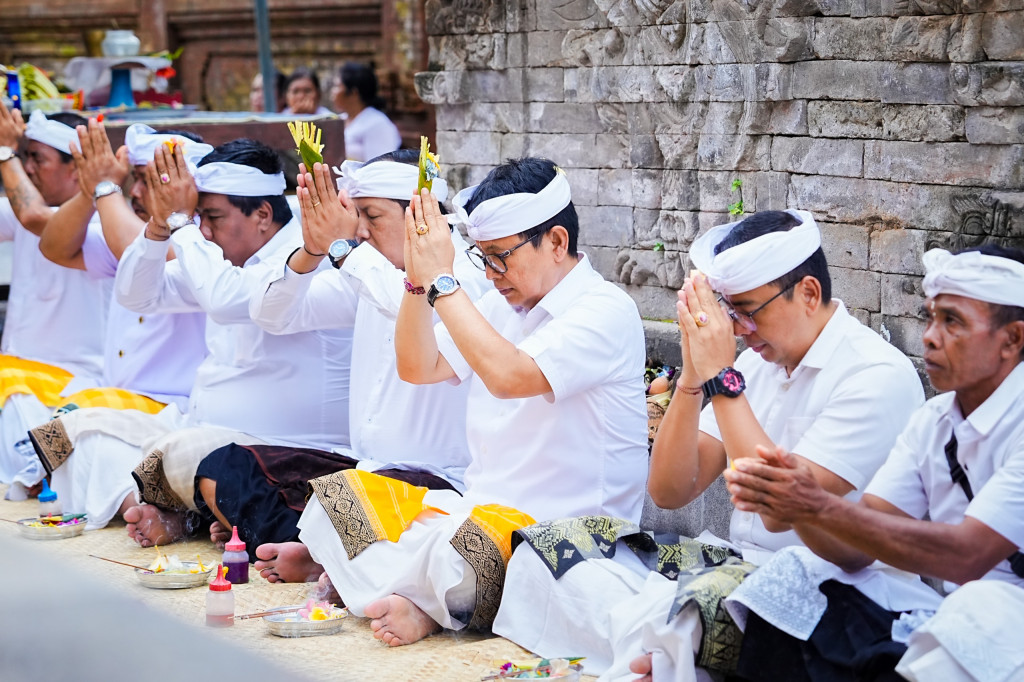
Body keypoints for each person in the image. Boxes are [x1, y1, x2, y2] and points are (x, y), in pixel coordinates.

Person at [491, 210, 925, 681]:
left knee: (684, 614)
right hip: (735, 567)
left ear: (808, 293)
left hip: (833, 589)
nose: (740, 330)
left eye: (749, 311)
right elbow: (670, 490)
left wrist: (723, 376)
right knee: (547, 553)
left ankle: (660, 645)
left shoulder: (876, 374)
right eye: (731, 313)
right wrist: (694, 378)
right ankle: (658, 646)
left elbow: (779, 509)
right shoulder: (756, 367)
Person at [289, 156, 649, 647]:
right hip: (474, 518)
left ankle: (428, 605)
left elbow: (509, 376)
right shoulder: (502, 304)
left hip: (563, 539)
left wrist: (443, 280)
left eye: (501, 255)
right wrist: (417, 283)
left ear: (558, 243)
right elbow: (419, 367)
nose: (493, 272)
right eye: (482, 257)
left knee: (464, 554)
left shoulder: (605, 310)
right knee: (335, 504)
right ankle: (434, 600)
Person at [721, 244, 1024, 682]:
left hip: (993, 621)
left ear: (1012, 339)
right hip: (962, 622)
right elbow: (859, 548)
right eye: (930, 317)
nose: (930, 337)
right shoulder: (934, 423)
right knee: (798, 570)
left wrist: (819, 506)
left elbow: (968, 556)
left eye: (952, 321)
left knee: (979, 606)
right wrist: (800, 508)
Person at [27, 138, 352, 545]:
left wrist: (182, 223)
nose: (206, 230)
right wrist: (159, 226)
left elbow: (226, 299)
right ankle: (178, 510)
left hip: (283, 450)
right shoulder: (220, 259)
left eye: (212, 217)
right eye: (201, 218)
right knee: (77, 430)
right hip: (202, 430)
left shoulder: (307, 259)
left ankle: (179, 514)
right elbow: (136, 294)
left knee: (181, 455)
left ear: (263, 215)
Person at [243, 151, 490, 580]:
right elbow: (271, 314)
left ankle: (327, 558)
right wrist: (312, 248)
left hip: (439, 483)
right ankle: (333, 554)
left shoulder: (465, 274)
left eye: (371, 216)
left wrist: (342, 249)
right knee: (233, 467)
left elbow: (414, 305)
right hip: (365, 473)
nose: (359, 230)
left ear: (419, 214)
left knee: (338, 499)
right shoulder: (364, 275)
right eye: (354, 216)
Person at [0, 105, 110, 491]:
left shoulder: (102, 220)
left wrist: (5, 152)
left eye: (37, 159)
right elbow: (25, 211)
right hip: (18, 379)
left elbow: (34, 218)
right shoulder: (22, 210)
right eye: (25, 157)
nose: (28, 168)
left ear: (76, 169)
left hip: (76, 383)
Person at [330, 62, 400, 162]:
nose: (333, 92)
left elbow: (381, 167)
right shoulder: (340, 119)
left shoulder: (378, 124)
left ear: (354, 93)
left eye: (337, 86)